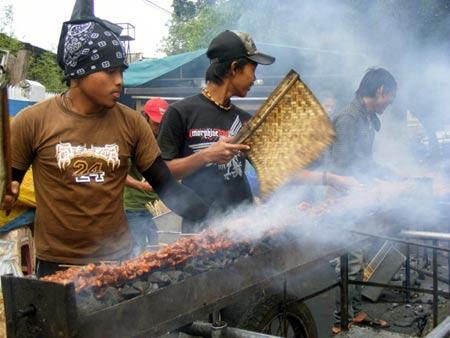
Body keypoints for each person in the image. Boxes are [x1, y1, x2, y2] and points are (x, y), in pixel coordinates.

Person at [0, 10, 208, 277]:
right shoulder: (33, 121)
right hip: (56, 263)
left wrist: (219, 218)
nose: (119, 81)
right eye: (110, 71)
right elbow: (9, 185)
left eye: (121, 71)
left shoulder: (132, 123)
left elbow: (168, 188)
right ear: (79, 73)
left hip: (116, 261)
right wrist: (7, 194)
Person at [158, 30, 358, 232]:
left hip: (245, 225)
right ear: (235, 68)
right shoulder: (180, 112)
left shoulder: (246, 120)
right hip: (203, 231)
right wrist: (205, 156)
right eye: (253, 69)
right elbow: (162, 174)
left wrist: (331, 179)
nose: (255, 78)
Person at [328, 67, 397, 334]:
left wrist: (391, 175)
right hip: (342, 198)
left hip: (357, 196)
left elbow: (365, 162)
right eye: (391, 96)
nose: (391, 102)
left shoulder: (367, 117)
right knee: (346, 259)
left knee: (357, 257)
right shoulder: (348, 118)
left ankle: (355, 312)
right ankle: (338, 319)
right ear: (381, 91)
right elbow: (343, 166)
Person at [124, 98, 168, 255]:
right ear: (145, 117)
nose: (158, 128)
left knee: (158, 249)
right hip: (134, 206)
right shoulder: (133, 139)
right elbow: (117, 175)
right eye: (156, 123)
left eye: (162, 124)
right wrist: (141, 185)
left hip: (157, 209)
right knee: (138, 250)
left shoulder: (163, 139)